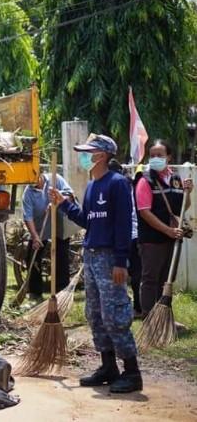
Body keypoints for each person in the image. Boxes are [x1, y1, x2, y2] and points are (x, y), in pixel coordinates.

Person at [50, 134, 141, 393]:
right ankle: (108, 367)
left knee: (114, 314)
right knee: (95, 314)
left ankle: (132, 372)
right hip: (91, 256)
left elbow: (123, 224)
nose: (84, 156)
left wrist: (121, 261)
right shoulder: (92, 185)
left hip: (110, 257)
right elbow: (87, 221)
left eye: (88, 152)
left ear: (101, 155)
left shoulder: (118, 183)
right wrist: (64, 205)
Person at [134, 139, 193, 315]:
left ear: (169, 157)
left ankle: (164, 318)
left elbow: (182, 207)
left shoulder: (175, 179)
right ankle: (149, 319)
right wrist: (168, 230)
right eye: (152, 155)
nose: (155, 158)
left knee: (167, 280)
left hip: (172, 238)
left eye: (159, 155)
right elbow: (144, 212)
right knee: (150, 280)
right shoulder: (145, 180)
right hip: (152, 240)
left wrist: (188, 192)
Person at [21, 172, 74, 301]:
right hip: (41, 228)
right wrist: (35, 237)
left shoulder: (55, 179)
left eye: (33, 179)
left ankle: (62, 292)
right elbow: (28, 217)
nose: (32, 183)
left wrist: (58, 200)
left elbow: (70, 195)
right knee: (32, 256)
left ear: (39, 174)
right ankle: (35, 292)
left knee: (61, 256)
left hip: (59, 225)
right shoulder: (28, 193)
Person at [109, 158, 143, 317]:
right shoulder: (129, 185)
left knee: (129, 274)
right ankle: (135, 307)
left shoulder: (119, 187)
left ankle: (135, 307)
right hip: (133, 236)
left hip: (129, 236)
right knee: (135, 274)